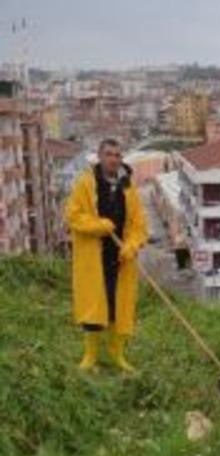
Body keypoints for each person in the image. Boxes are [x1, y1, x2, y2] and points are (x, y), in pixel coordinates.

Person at [65, 138, 148, 372]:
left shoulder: (128, 187)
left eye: (117, 155)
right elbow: (72, 215)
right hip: (93, 256)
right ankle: (90, 356)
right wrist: (97, 225)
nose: (113, 158)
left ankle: (116, 353)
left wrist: (131, 245)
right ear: (100, 157)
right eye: (109, 154)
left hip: (120, 258)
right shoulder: (86, 183)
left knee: (117, 306)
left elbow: (139, 224)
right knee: (93, 307)